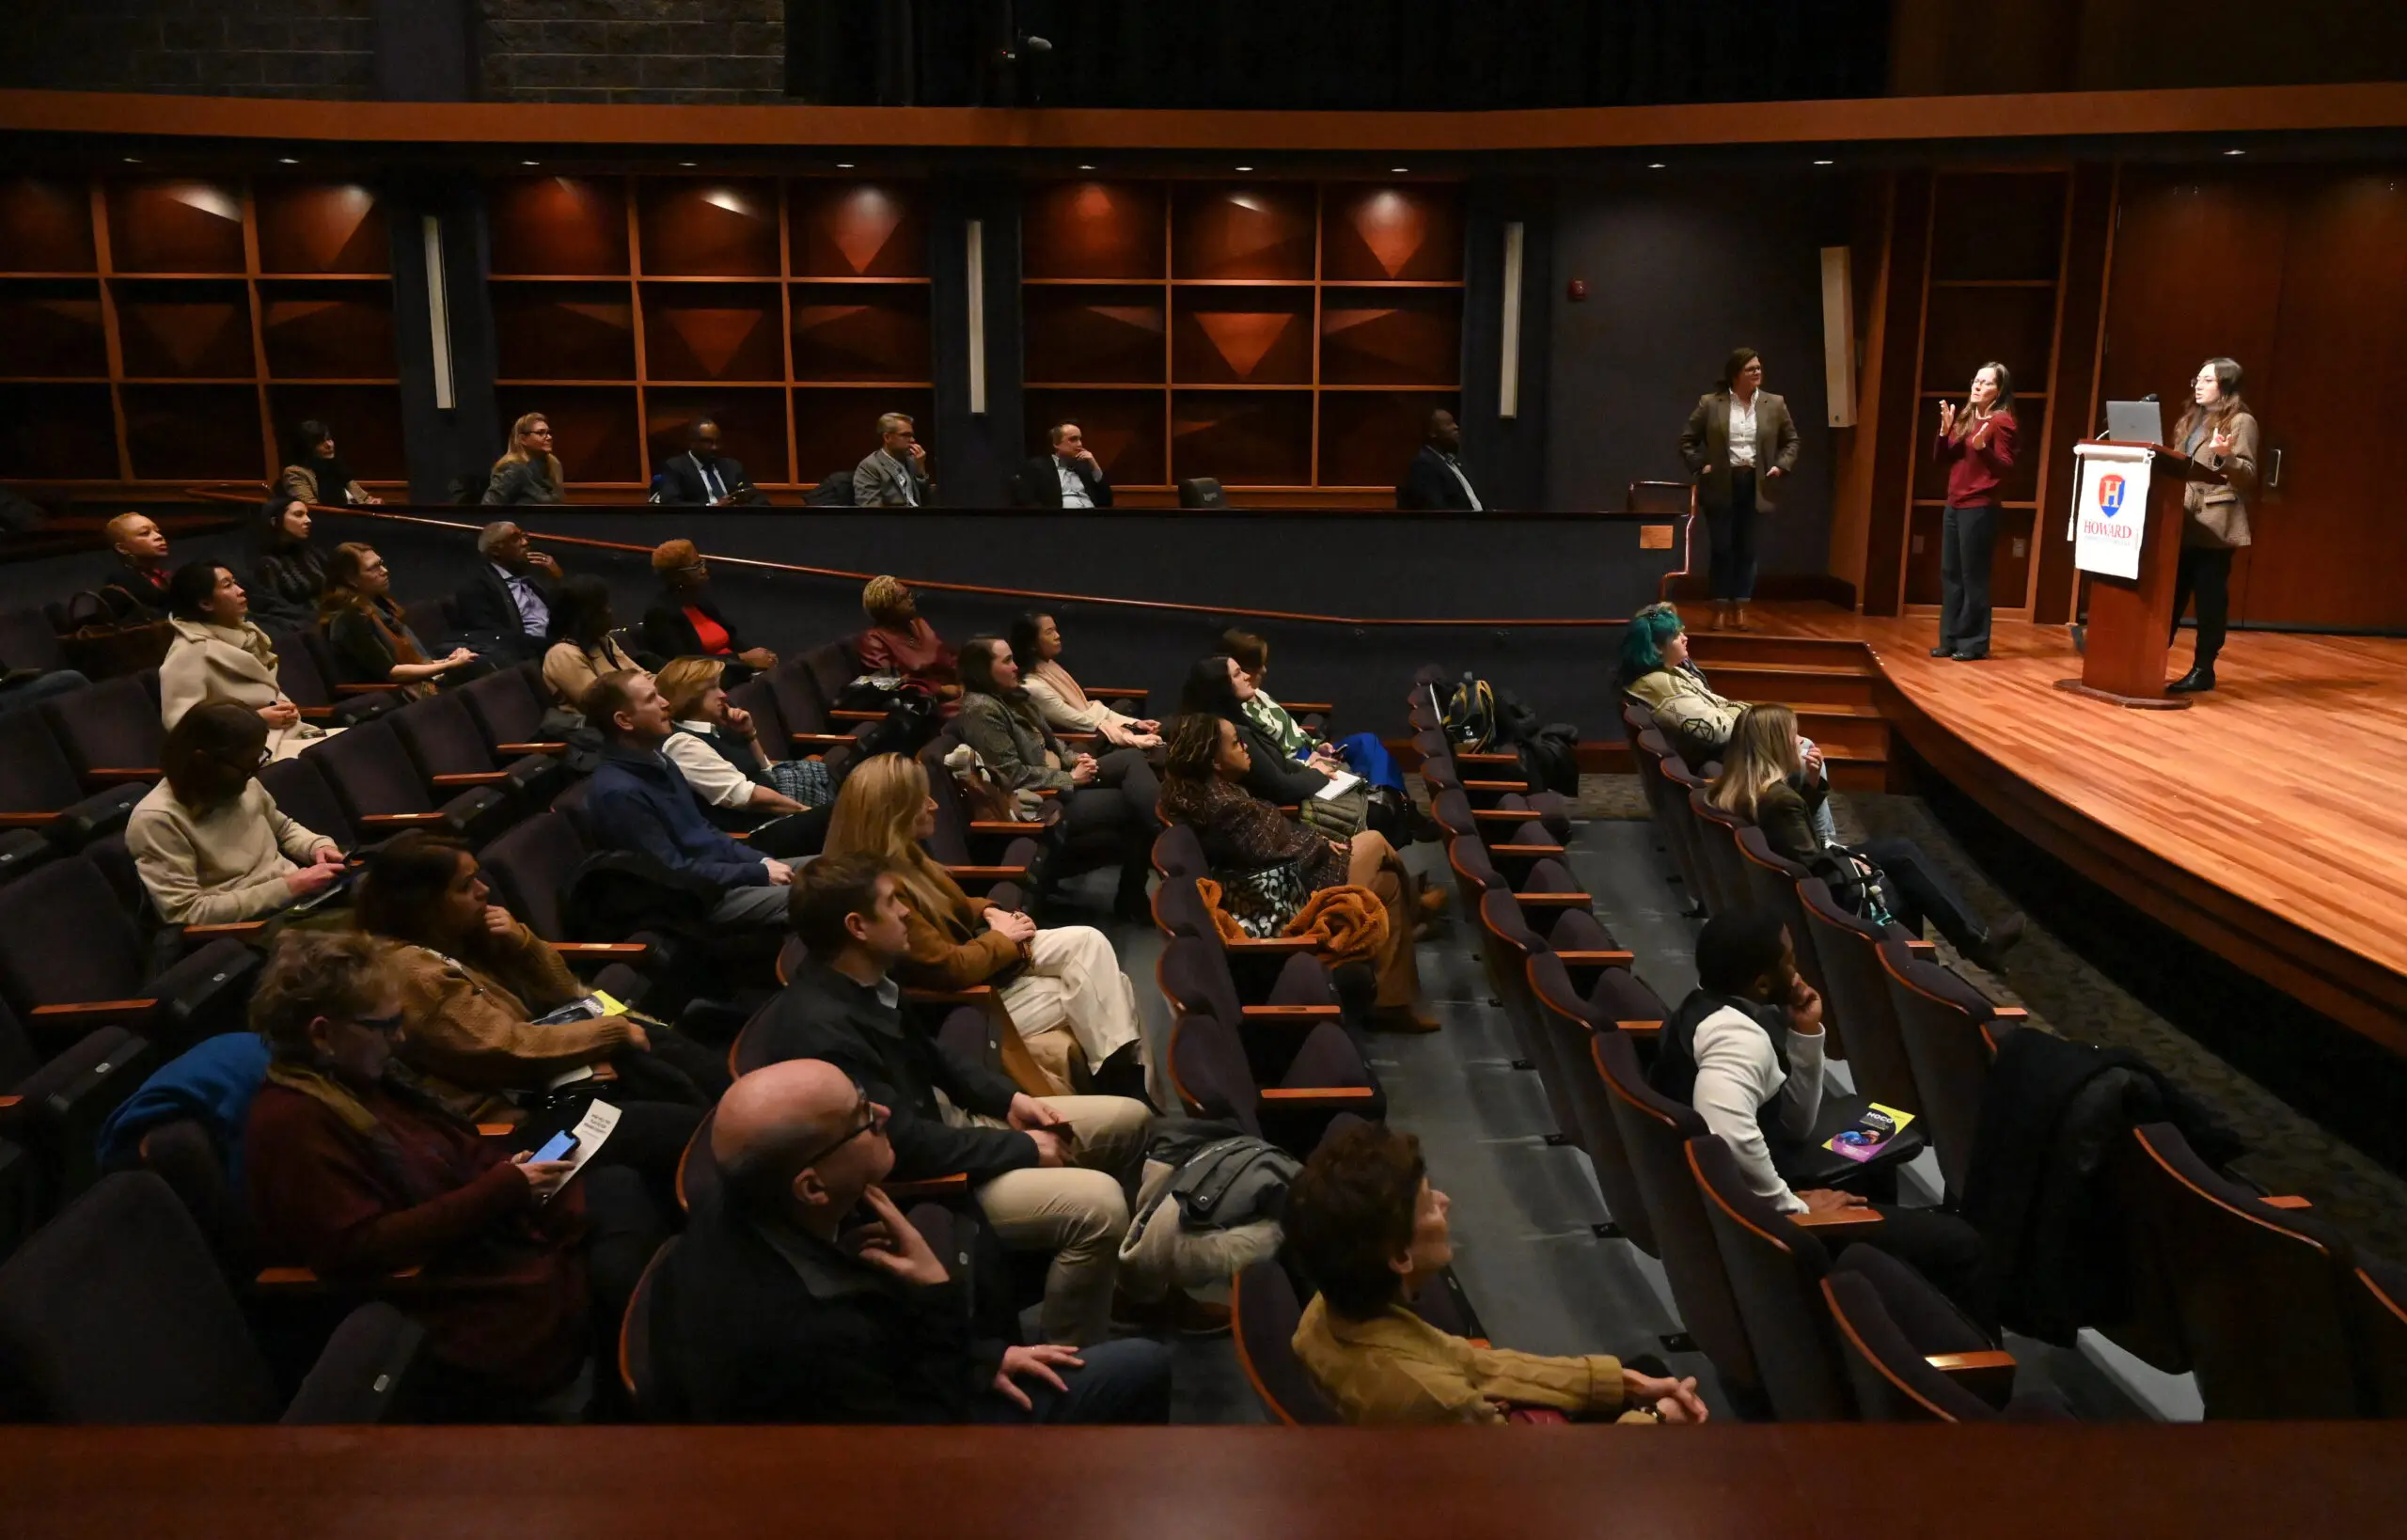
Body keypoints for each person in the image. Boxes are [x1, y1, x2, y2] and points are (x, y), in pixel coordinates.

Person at [243, 929, 663, 1421]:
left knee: (623, 1189)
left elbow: (445, 1148)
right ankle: (627, 1415)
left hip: (481, 1231)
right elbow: (358, 1246)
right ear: (322, 1034)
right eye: (386, 1025)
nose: (399, 1038)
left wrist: (505, 1170)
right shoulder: (293, 1125)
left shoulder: (357, 1077)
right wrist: (501, 1188)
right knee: (620, 1265)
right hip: (442, 1289)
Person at [739, 856, 1152, 1347]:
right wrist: (1024, 1149)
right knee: (1100, 1206)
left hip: (948, 1128)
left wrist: (1012, 1100)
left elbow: (935, 1059)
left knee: (1132, 1119)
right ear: (858, 927)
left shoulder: (866, 978)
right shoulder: (823, 1031)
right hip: (927, 1181)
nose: (908, 913)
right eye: (893, 904)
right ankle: (1069, 1369)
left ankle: (1123, 1290)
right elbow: (902, 1146)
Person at [660, 1057, 1172, 1422]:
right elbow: (921, 1440)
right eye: (861, 1117)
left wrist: (980, 1358)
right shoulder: (804, 1334)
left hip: (899, 1383)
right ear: (812, 1186)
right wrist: (935, 1294)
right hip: (897, 1468)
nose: (884, 1114)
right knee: (1143, 1366)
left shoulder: (740, 1206)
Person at [1645, 909, 1992, 1326]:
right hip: (1758, 1212)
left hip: (1750, 1182)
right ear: (1761, 982)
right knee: (1963, 1241)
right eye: (1788, 960)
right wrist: (1790, 1205)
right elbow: (1726, 1136)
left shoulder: (1710, 1009)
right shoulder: (1737, 1040)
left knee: (1881, 1136)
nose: (1796, 971)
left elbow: (1795, 1123)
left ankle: (1886, 1289)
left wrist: (1806, 1035)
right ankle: (1975, 1364)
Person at [352, 831, 720, 1198]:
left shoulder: (455, 937)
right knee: (682, 1125)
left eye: (478, 877)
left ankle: (747, 1110)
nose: (483, 891)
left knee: (658, 1052)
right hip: (515, 1128)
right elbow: (506, 1048)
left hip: (543, 1084)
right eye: (466, 886)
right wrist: (610, 1033)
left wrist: (522, 944)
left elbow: (562, 992)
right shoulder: (413, 973)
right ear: (424, 904)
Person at [1285, 1121, 1705, 1424]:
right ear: (1400, 1257)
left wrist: (1623, 1384)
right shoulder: (1435, 1401)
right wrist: (1655, 1420)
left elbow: (1470, 1362)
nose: (1446, 1203)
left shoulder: (1328, 1308)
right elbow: (1549, 1486)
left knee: (1647, 1369)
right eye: (1429, 1205)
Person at [822, 755, 1152, 1101]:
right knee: (1108, 987)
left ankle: (1124, 1085)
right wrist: (1002, 939)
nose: (934, 805)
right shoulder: (881, 892)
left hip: (983, 963)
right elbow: (948, 969)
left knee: (1089, 943)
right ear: (894, 812)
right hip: (960, 1006)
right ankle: (1127, 1090)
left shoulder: (905, 855)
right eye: (922, 800)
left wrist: (993, 913)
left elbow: (959, 905)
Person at [1159, 713, 1437, 1032]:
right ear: (1215, 762)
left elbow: (1273, 844)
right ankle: (1418, 911)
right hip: (1296, 896)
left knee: (1388, 884)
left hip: (1287, 879)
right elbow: (1276, 855)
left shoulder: (1212, 791)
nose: (1245, 748)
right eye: (1236, 744)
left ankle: (1391, 1002)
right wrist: (1320, 843)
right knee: (1375, 841)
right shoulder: (1225, 804)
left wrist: (1316, 840)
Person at [1707, 704, 2023, 971]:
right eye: (1794, 736)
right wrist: (1857, 865)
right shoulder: (1779, 799)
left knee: (1900, 851)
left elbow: (1790, 833)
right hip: (1821, 897)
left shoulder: (1739, 787)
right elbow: (1811, 863)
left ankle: (1961, 948)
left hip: (1791, 888)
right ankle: (1929, 964)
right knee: (1903, 879)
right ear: (1775, 745)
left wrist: (1813, 786)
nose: (1801, 742)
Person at [955, 636, 1158, 919]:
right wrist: (1070, 778)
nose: (1016, 667)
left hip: (1055, 776)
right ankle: (1165, 844)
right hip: (1038, 801)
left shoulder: (1009, 695)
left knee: (1133, 759)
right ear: (982, 669)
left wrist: (1076, 760)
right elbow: (1011, 775)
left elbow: (1052, 743)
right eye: (1006, 661)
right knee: (1131, 805)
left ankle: (1166, 835)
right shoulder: (980, 709)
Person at [580, 669, 795, 930]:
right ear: (624, 720)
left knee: (834, 871)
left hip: (723, 875)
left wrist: (760, 862)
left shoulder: (660, 761)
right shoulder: (619, 793)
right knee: (827, 897)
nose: (665, 703)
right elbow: (672, 873)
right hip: (701, 901)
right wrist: (756, 873)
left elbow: (706, 831)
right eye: (651, 699)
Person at [126, 702, 346, 927]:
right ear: (203, 761)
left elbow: (283, 828)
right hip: (250, 927)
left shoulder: (237, 781)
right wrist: (290, 887)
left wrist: (317, 847)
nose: (253, 773)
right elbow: (187, 912)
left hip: (296, 902)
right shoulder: (157, 819)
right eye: (247, 765)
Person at [655, 654, 833, 858]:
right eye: (712, 688)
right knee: (835, 816)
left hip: (770, 817)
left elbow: (765, 770)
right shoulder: (682, 743)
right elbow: (744, 795)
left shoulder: (717, 728)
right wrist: (805, 812)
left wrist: (749, 735)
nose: (723, 695)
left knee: (848, 789)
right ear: (689, 695)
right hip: (751, 837)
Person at [159, 559, 331, 762]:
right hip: (247, 754)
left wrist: (284, 706)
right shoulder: (189, 651)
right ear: (206, 603)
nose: (240, 591)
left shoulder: (241, 634)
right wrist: (256, 719)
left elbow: (261, 693)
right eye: (227, 585)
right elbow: (184, 727)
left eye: (235, 582)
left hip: (285, 735)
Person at [1179, 653, 1367, 839]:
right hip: (1283, 818)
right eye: (1237, 674)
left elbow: (1275, 765)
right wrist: (1315, 772)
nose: (1246, 676)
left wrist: (1310, 767)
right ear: (1220, 687)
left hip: (1294, 787)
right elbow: (1280, 789)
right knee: (1376, 816)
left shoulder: (1236, 718)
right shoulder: (1232, 734)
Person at [1678, 347, 1800, 633]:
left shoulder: (1775, 403)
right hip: (1722, 482)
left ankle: (1741, 608)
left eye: (1759, 367)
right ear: (1736, 374)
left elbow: (1792, 441)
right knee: (1722, 548)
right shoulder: (1711, 403)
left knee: (1748, 549)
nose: (1757, 372)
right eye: (1751, 368)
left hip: (1757, 484)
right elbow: (1687, 440)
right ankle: (1719, 607)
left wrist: (1781, 465)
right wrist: (1701, 466)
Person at [2165, 356, 2261, 696]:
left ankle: (2203, 669)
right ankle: (2147, 657)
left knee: (2209, 601)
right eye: (2198, 378)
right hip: (2181, 522)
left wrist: (2227, 457)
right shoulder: (2190, 420)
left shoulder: (2241, 421)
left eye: (2207, 380)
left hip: (2215, 525)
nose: (2198, 385)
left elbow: (2247, 475)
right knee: (2168, 596)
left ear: (2226, 386)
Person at [1222, 629, 1405, 798]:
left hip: (1311, 753)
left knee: (1368, 741)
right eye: (1256, 666)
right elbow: (1274, 766)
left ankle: (1391, 799)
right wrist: (1309, 764)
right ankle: (1390, 802)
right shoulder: (1240, 717)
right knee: (1375, 764)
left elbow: (1293, 730)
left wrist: (1317, 746)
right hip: (1299, 768)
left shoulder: (1258, 693)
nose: (1264, 670)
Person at [1929, 363, 2019, 663]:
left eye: (1986, 382)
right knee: (1950, 574)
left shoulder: (2002, 422)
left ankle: (1974, 641)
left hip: (1980, 507)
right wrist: (1944, 434)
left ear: (1999, 390)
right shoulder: (1967, 417)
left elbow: (2005, 467)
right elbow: (1944, 459)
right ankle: (1950, 639)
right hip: (1954, 503)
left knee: (1973, 576)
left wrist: (1983, 448)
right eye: (1976, 380)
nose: (1977, 386)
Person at [319, 542, 480, 698]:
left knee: (479, 668)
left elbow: (413, 662)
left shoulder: (381, 607)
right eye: (373, 568)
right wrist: (449, 665)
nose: (384, 571)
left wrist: (448, 660)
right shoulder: (350, 618)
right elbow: (392, 673)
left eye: (381, 563)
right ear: (350, 579)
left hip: (411, 688)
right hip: (385, 698)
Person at [1009, 611, 1158, 748]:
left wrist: (1135, 723)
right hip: (1077, 743)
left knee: (1126, 706)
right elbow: (1078, 721)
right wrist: (1129, 733)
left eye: (1055, 629)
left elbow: (1086, 708)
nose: (1057, 635)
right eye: (1049, 632)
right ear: (1032, 645)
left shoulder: (1049, 666)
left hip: (1089, 728)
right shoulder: (1033, 687)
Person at [639, 539, 777, 677]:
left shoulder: (701, 603)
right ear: (676, 577)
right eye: (696, 566)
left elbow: (732, 639)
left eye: (702, 563)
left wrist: (760, 656)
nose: (704, 570)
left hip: (734, 670)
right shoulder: (659, 613)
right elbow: (684, 664)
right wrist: (743, 659)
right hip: (706, 681)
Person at [452, 521, 560, 664]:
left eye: (525, 536)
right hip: (534, 655)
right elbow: (496, 636)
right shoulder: (476, 587)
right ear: (496, 550)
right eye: (516, 538)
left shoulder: (529, 580)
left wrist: (557, 580)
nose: (525, 542)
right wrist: (553, 645)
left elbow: (559, 614)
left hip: (559, 645)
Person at [540, 574, 640, 708]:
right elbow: (601, 707)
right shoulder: (562, 655)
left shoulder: (602, 641)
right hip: (605, 724)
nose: (609, 610)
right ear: (586, 615)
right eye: (602, 607)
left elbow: (642, 675)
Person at [855, 575, 958, 698]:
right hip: (923, 703)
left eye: (908, 594)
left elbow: (949, 657)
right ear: (886, 608)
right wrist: (940, 690)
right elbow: (886, 684)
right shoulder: (873, 639)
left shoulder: (920, 625)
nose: (910, 600)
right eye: (901, 598)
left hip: (956, 692)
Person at [247, 494, 327, 632]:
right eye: (298, 514)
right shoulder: (266, 563)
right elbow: (276, 608)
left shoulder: (311, 553)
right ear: (275, 521)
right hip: (303, 629)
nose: (308, 520)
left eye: (307, 514)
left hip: (327, 618)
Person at [653, 416, 767, 507]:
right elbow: (670, 503)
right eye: (707, 442)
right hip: (697, 524)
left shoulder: (732, 466)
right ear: (692, 442)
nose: (714, 447)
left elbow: (759, 499)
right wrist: (712, 507)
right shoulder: (676, 466)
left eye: (717, 442)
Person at [1009, 421, 1112, 510]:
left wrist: (1095, 465)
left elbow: (1107, 501)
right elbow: (1026, 500)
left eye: (1080, 439)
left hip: (1092, 519)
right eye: (1073, 439)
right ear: (1056, 444)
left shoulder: (1085, 468)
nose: (1080, 444)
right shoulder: (1038, 467)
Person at [1395, 408, 1484, 511]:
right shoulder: (1423, 466)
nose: (1456, 427)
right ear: (1432, 432)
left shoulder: (1454, 463)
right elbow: (1436, 512)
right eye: (1448, 424)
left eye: (1454, 422)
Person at [277, 418, 379, 508]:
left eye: (329, 439)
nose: (329, 445)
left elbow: (364, 498)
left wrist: (373, 502)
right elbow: (312, 510)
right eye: (321, 442)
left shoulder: (336, 467)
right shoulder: (295, 472)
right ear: (306, 447)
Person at [96, 511, 173, 620]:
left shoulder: (165, 577)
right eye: (145, 533)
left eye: (157, 531)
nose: (159, 537)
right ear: (122, 548)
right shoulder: (120, 585)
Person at [483, 412, 565, 505]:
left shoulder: (553, 465)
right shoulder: (513, 469)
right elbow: (488, 506)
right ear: (523, 439)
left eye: (549, 432)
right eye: (541, 433)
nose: (549, 437)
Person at [852, 412, 933, 508]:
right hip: (893, 520)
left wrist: (920, 468)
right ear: (887, 437)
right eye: (905, 435)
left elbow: (926, 500)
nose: (912, 440)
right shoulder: (869, 466)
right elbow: (871, 507)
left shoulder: (912, 461)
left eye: (912, 435)